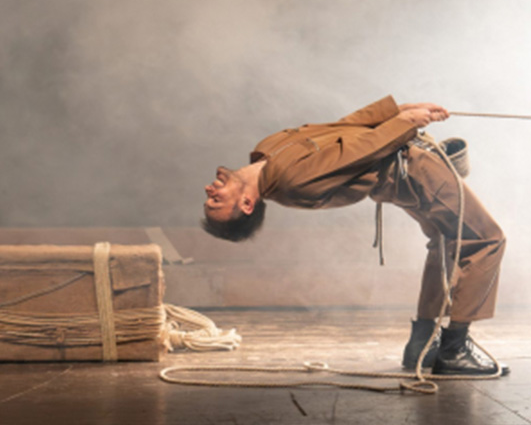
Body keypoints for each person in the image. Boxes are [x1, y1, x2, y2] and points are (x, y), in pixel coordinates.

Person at [202, 95, 506, 376]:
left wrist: (400, 110)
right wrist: (406, 122)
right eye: (216, 201)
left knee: (443, 240)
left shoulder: (266, 149)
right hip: (412, 171)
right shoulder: (292, 184)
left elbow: (342, 127)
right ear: (247, 204)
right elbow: (360, 151)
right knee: (486, 239)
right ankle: (454, 350)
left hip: (406, 167)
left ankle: (422, 344)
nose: (209, 190)